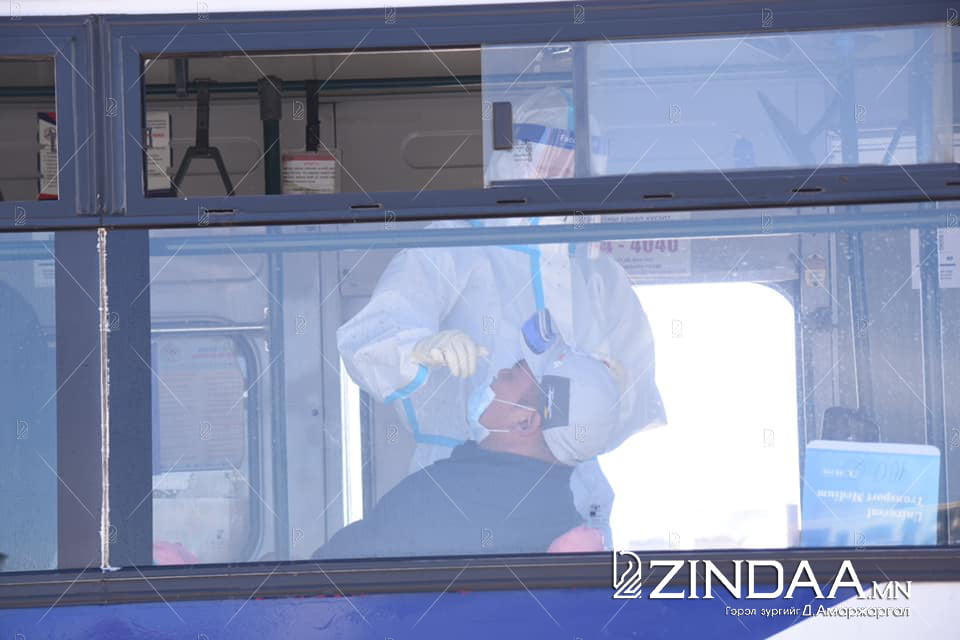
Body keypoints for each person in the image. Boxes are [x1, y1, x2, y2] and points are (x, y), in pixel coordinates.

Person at [336, 87, 666, 542]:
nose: (562, 182)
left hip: (576, 496)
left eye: (576, 170)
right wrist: (415, 349)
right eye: (550, 165)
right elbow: (369, 335)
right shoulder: (457, 242)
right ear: (514, 161)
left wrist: (618, 393)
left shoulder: (599, 274)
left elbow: (635, 397)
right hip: (457, 496)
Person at [314, 351, 617, 559]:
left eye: (511, 375)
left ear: (524, 422)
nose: (498, 374)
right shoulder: (563, 524)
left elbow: (324, 581)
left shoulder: (438, 498)